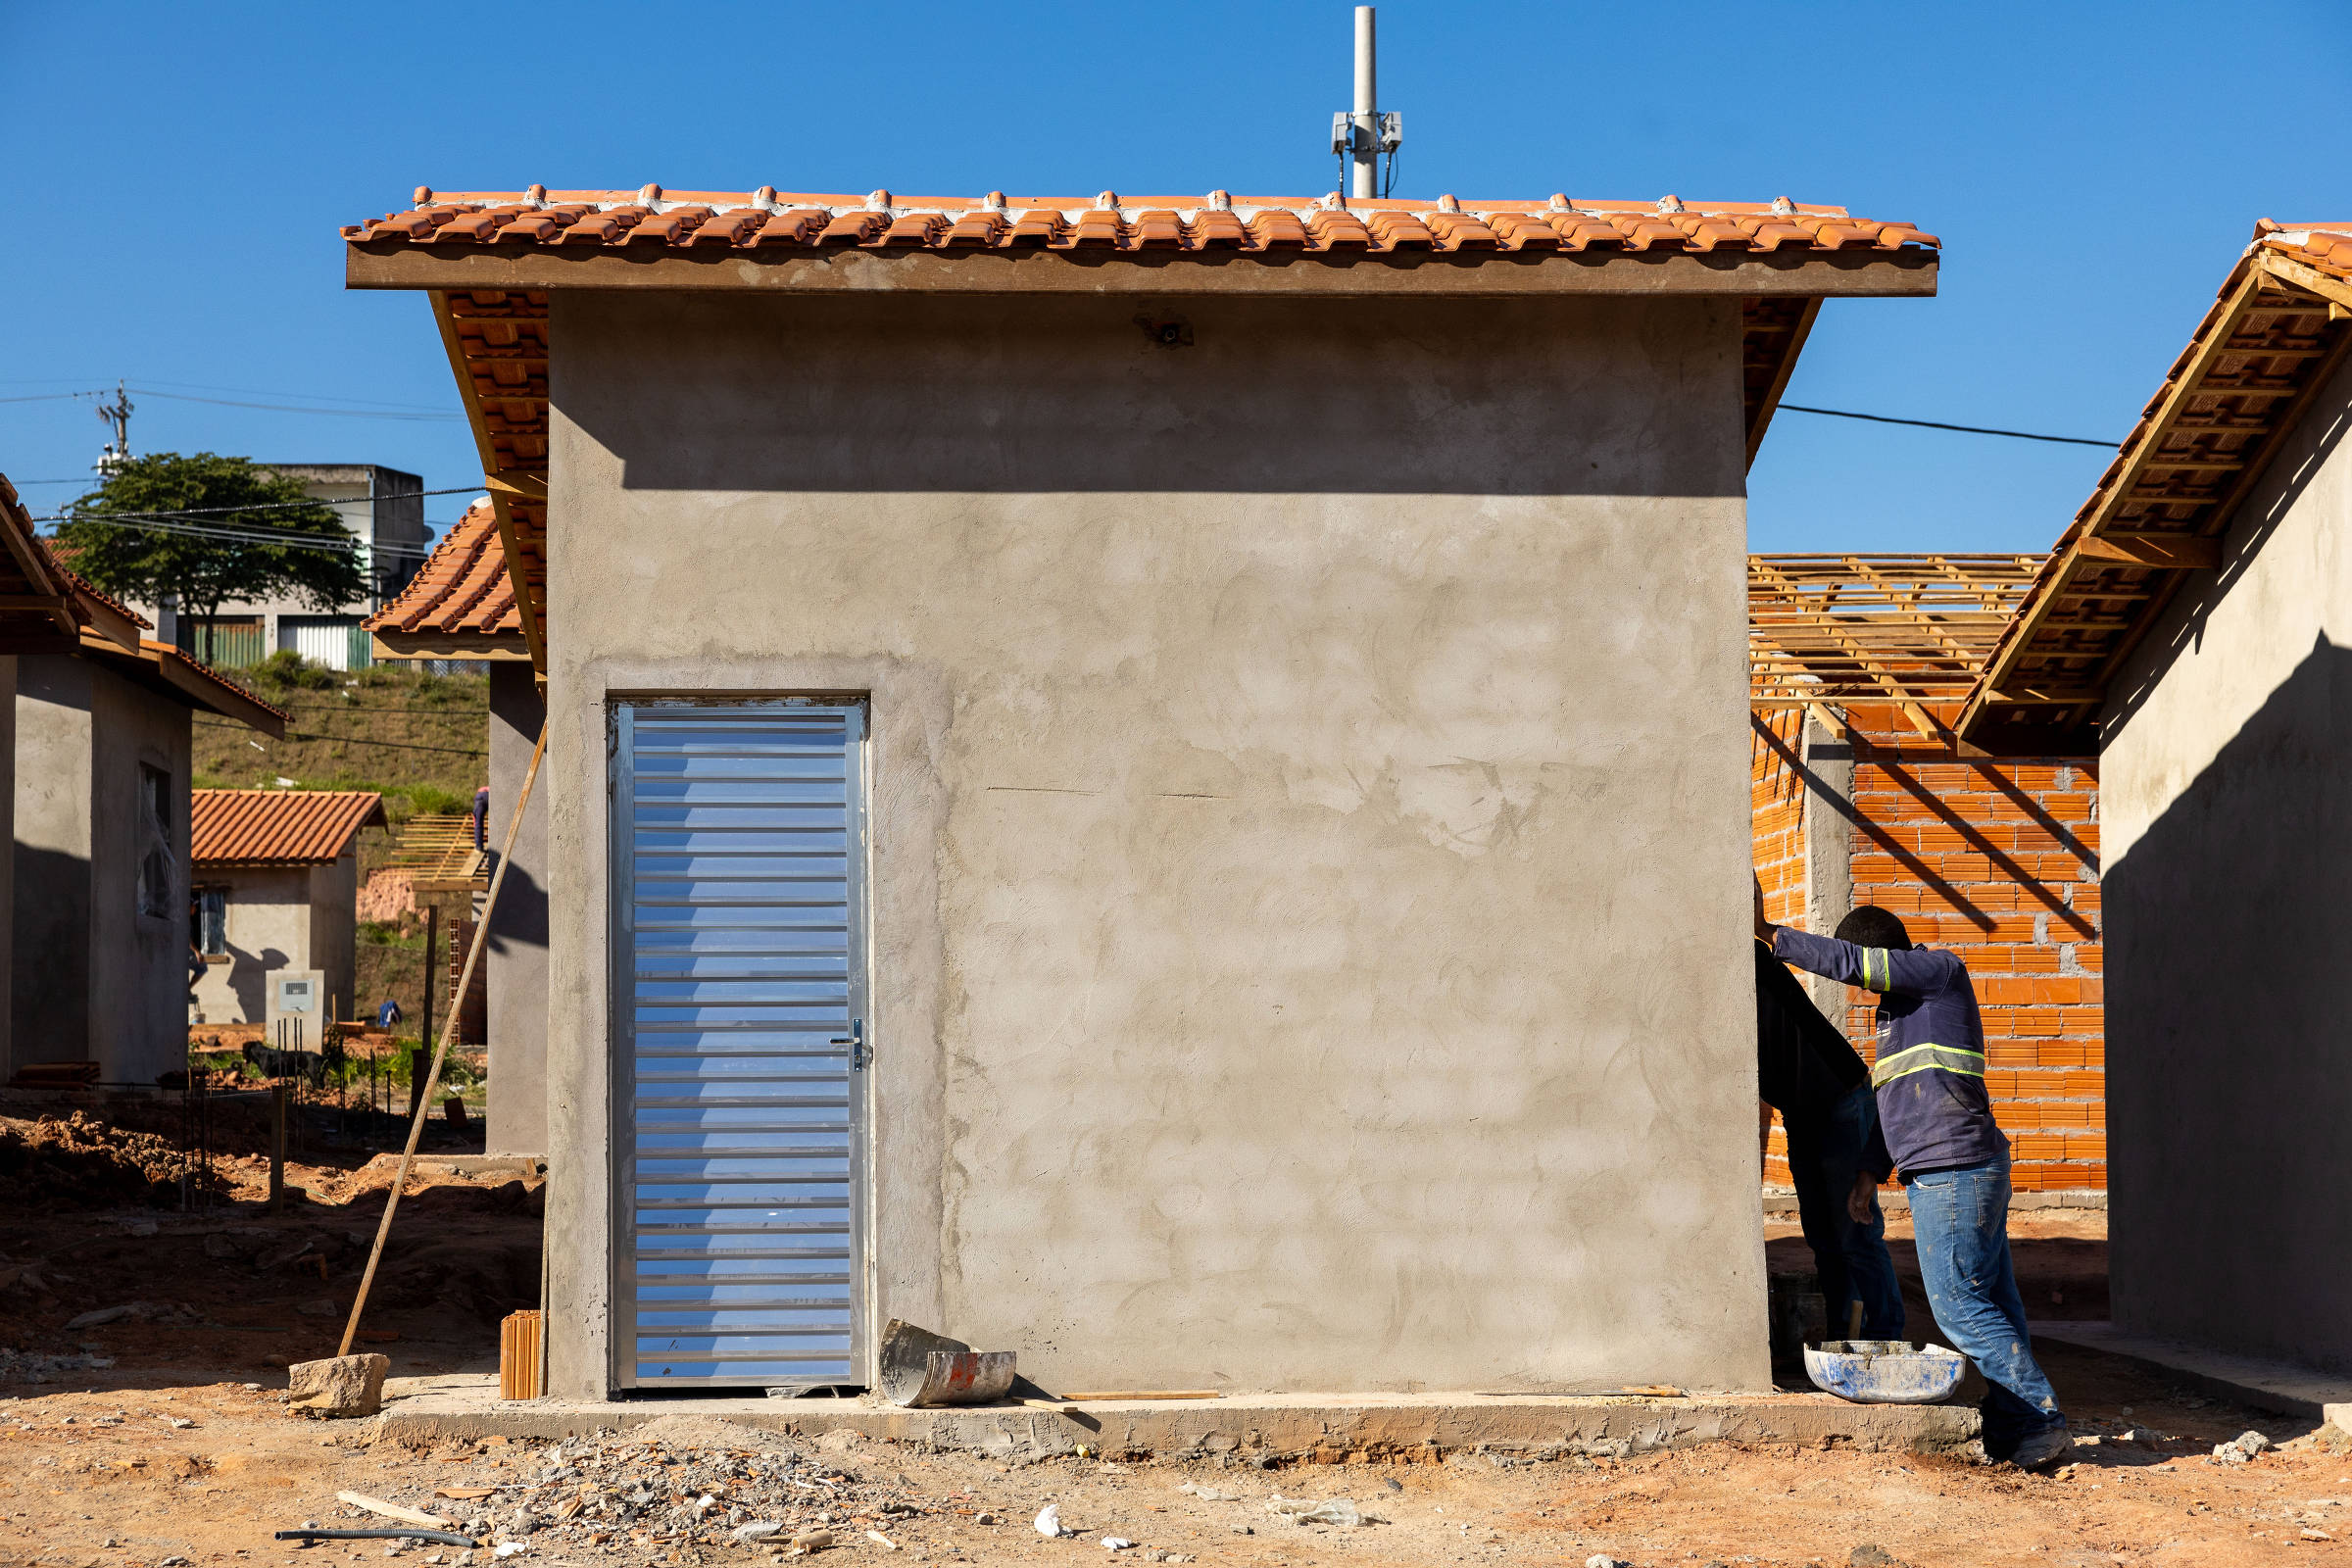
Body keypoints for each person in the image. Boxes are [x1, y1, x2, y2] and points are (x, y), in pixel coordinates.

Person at [1757, 891, 2071, 1468]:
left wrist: (1773, 934)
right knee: (1991, 1299)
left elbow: (1855, 964)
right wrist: (1870, 1173)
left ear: (1881, 955)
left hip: (1955, 1168)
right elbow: (1893, 1099)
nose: (1861, 988)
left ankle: (2039, 1417)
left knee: (1957, 1305)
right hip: (1950, 1167)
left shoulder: (1939, 973)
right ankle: (2012, 1425)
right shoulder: (1897, 1017)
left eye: (1864, 970)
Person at [1753, 925, 1905, 1341]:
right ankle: (1847, 1338)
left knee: (1855, 1235)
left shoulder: (1747, 960)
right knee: (1823, 1239)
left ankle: (1888, 1340)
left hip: (1841, 1102)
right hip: (1802, 1113)